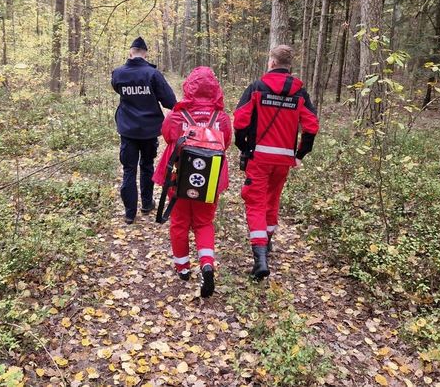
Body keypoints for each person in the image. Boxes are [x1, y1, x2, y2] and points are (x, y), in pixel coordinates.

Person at [233, 45, 319, 279]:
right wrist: (300, 154)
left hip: (259, 158)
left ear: (271, 62)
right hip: (283, 160)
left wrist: (243, 147)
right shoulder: (300, 93)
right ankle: (267, 241)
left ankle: (260, 258)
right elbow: (311, 126)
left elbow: (240, 121)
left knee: (255, 202)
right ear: (288, 65)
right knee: (272, 199)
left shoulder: (257, 88)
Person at [153, 67, 231, 298]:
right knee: (204, 223)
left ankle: (183, 268)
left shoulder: (178, 115)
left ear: (189, 87)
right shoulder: (222, 117)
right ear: (215, 89)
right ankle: (207, 263)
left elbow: (168, 137)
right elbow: (225, 143)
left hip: (179, 177)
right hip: (210, 179)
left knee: (179, 222)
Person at [112, 37, 177, 224]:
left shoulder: (118, 73)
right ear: (145, 54)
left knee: (129, 170)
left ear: (130, 52)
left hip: (128, 131)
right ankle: (147, 204)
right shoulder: (153, 74)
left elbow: (118, 89)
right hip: (149, 130)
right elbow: (170, 101)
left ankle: (130, 213)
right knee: (147, 166)